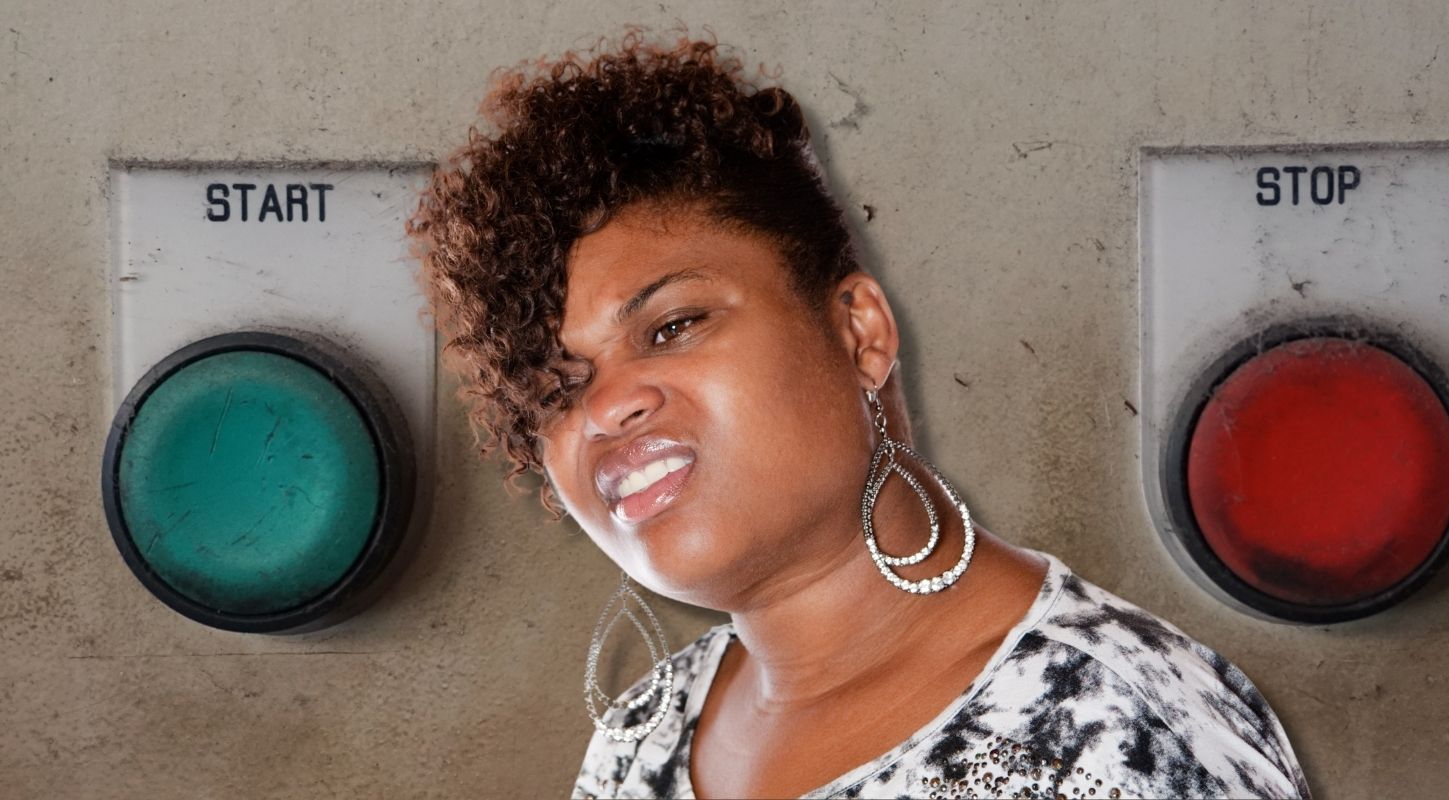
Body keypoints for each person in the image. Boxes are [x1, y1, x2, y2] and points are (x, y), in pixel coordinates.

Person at [407, 25, 1312, 800]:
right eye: (557, 388)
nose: (607, 406)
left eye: (673, 326)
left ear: (859, 332)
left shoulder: (1103, 728)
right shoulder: (642, 740)